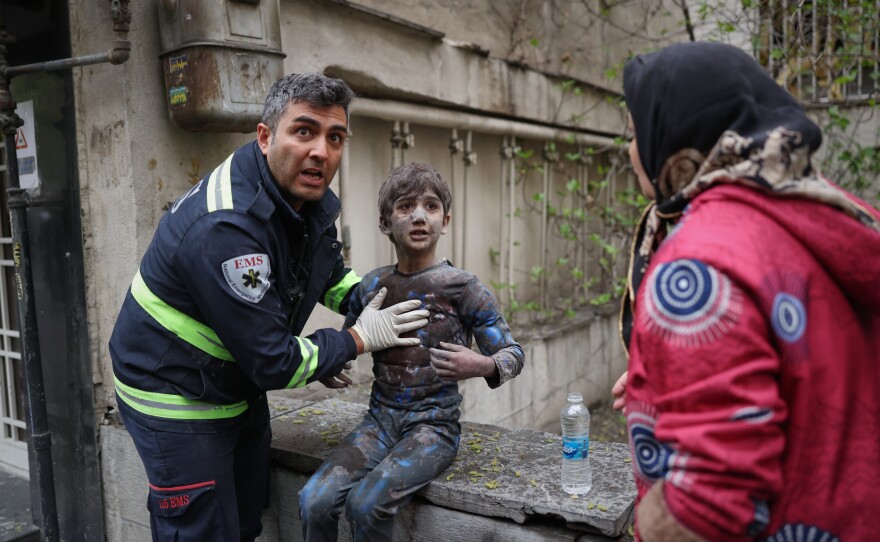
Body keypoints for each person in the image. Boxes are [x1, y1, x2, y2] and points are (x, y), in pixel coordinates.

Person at [109, 73, 430, 542]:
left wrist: (379, 296)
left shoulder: (299, 195)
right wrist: (356, 340)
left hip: (232, 378)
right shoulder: (227, 227)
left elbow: (323, 273)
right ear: (265, 137)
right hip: (173, 393)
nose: (321, 151)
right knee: (202, 533)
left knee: (243, 521)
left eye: (335, 137)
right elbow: (274, 360)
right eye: (304, 131)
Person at [614, 42, 880, 541]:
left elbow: (710, 508)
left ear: (675, 136)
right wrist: (671, 381)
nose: (631, 150)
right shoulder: (822, 215)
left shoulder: (700, 265)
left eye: (634, 132)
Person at [299, 162, 525, 541]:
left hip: (433, 429)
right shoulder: (373, 284)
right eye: (405, 206)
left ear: (445, 220)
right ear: (385, 221)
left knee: (365, 504)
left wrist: (483, 364)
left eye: (431, 207)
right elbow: (350, 339)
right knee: (313, 500)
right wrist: (330, 362)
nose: (419, 216)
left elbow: (513, 354)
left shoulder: (462, 286)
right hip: (378, 422)